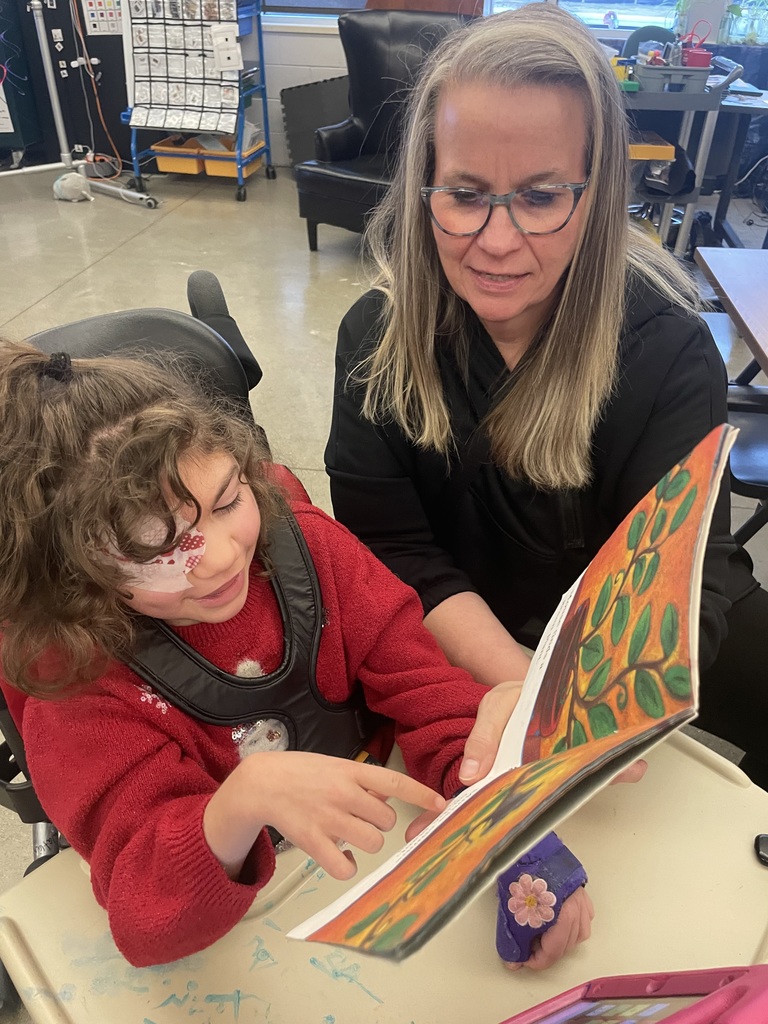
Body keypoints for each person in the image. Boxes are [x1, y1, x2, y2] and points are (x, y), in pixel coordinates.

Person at [0, 342, 592, 972]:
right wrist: (236, 806)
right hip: (247, 941)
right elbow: (146, 918)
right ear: (76, 571)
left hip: (374, 850)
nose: (224, 556)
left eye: (228, 502)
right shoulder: (77, 684)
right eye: (160, 546)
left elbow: (430, 696)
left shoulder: (310, 553)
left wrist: (506, 826)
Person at [325, 2, 768, 789]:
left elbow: (675, 578)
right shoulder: (374, 344)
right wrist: (526, 683)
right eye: (464, 194)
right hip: (456, 634)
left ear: (595, 196)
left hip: (620, 638)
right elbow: (395, 554)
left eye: (539, 196)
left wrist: (579, 698)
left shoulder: (668, 354)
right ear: (422, 184)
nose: (497, 242)